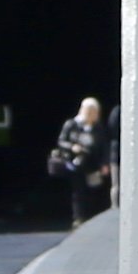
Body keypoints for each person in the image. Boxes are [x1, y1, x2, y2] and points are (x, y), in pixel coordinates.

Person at [44, 96, 104, 228]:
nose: (93, 115)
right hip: (75, 163)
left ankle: (94, 216)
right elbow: (61, 141)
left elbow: (102, 145)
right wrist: (73, 147)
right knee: (78, 191)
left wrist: (103, 163)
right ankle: (79, 217)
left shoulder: (98, 127)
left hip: (92, 163)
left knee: (94, 189)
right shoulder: (72, 124)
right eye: (91, 112)